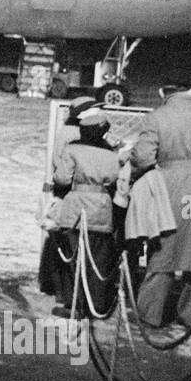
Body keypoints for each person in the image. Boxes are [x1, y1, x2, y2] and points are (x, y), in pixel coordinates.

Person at [129, 80, 191, 328]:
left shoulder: (156, 116)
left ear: (163, 93)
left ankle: (150, 314)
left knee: (164, 247)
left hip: (169, 187)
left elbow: (143, 158)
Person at [46, 105, 121, 318]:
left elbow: (61, 178)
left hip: (76, 209)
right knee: (98, 259)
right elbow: (116, 178)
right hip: (102, 208)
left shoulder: (72, 150)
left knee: (73, 257)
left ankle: (74, 304)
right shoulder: (111, 155)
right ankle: (96, 304)